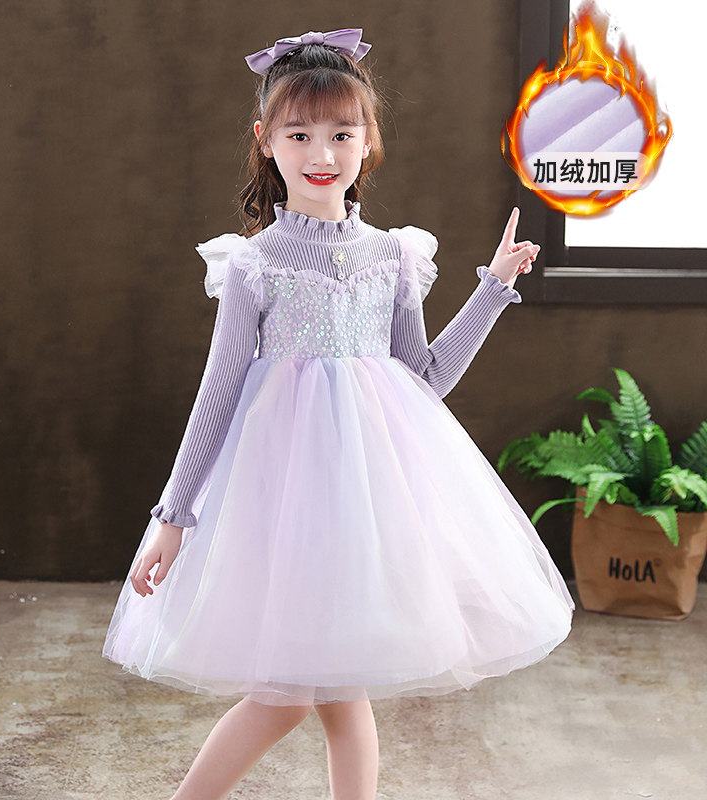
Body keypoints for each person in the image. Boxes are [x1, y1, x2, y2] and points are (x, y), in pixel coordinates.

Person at [102, 28, 575, 800]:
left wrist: (492, 289)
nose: (321, 153)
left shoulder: (394, 256)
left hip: (365, 501)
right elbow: (217, 393)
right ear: (266, 141)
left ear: (368, 139)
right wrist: (173, 516)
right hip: (281, 503)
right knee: (291, 696)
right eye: (299, 135)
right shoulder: (254, 263)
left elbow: (425, 377)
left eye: (341, 134)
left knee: (339, 692)